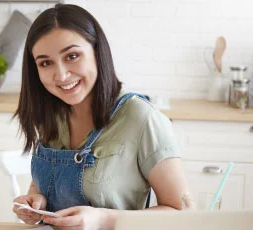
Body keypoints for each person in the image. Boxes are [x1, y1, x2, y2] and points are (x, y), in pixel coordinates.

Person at [13, 4, 189, 230]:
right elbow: (46, 183)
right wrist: (36, 200)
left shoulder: (142, 118)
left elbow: (183, 213)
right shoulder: (52, 113)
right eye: (46, 63)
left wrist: (105, 220)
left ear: (98, 51)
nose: (62, 75)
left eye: (72, 56)